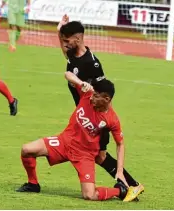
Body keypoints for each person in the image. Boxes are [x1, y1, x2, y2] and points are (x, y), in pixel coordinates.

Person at [15, 75, 143, 202]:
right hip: (64, 142)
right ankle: (33, 184)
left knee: (89, 195)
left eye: (96, 96)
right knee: (27, 150)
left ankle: (120, 191)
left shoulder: (112, 119)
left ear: (106, 99)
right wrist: (80, 82)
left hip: (84, 155)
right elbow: (67, 74)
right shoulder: (87, 94)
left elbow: (120, 144)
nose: (92, 97)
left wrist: (119, 172)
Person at [56, 14, 144, 197]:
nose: (64, 44)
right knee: (98, 156)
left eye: (67, 40)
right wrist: (60, 30)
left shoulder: (92, 63)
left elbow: (104, 93)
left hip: (97, 116)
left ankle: (132, 185)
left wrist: (100, 115)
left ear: (78, 38)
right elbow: (65, 52)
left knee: (100, 156)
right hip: (85, 112)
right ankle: (130, 185)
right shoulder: (73, 54)